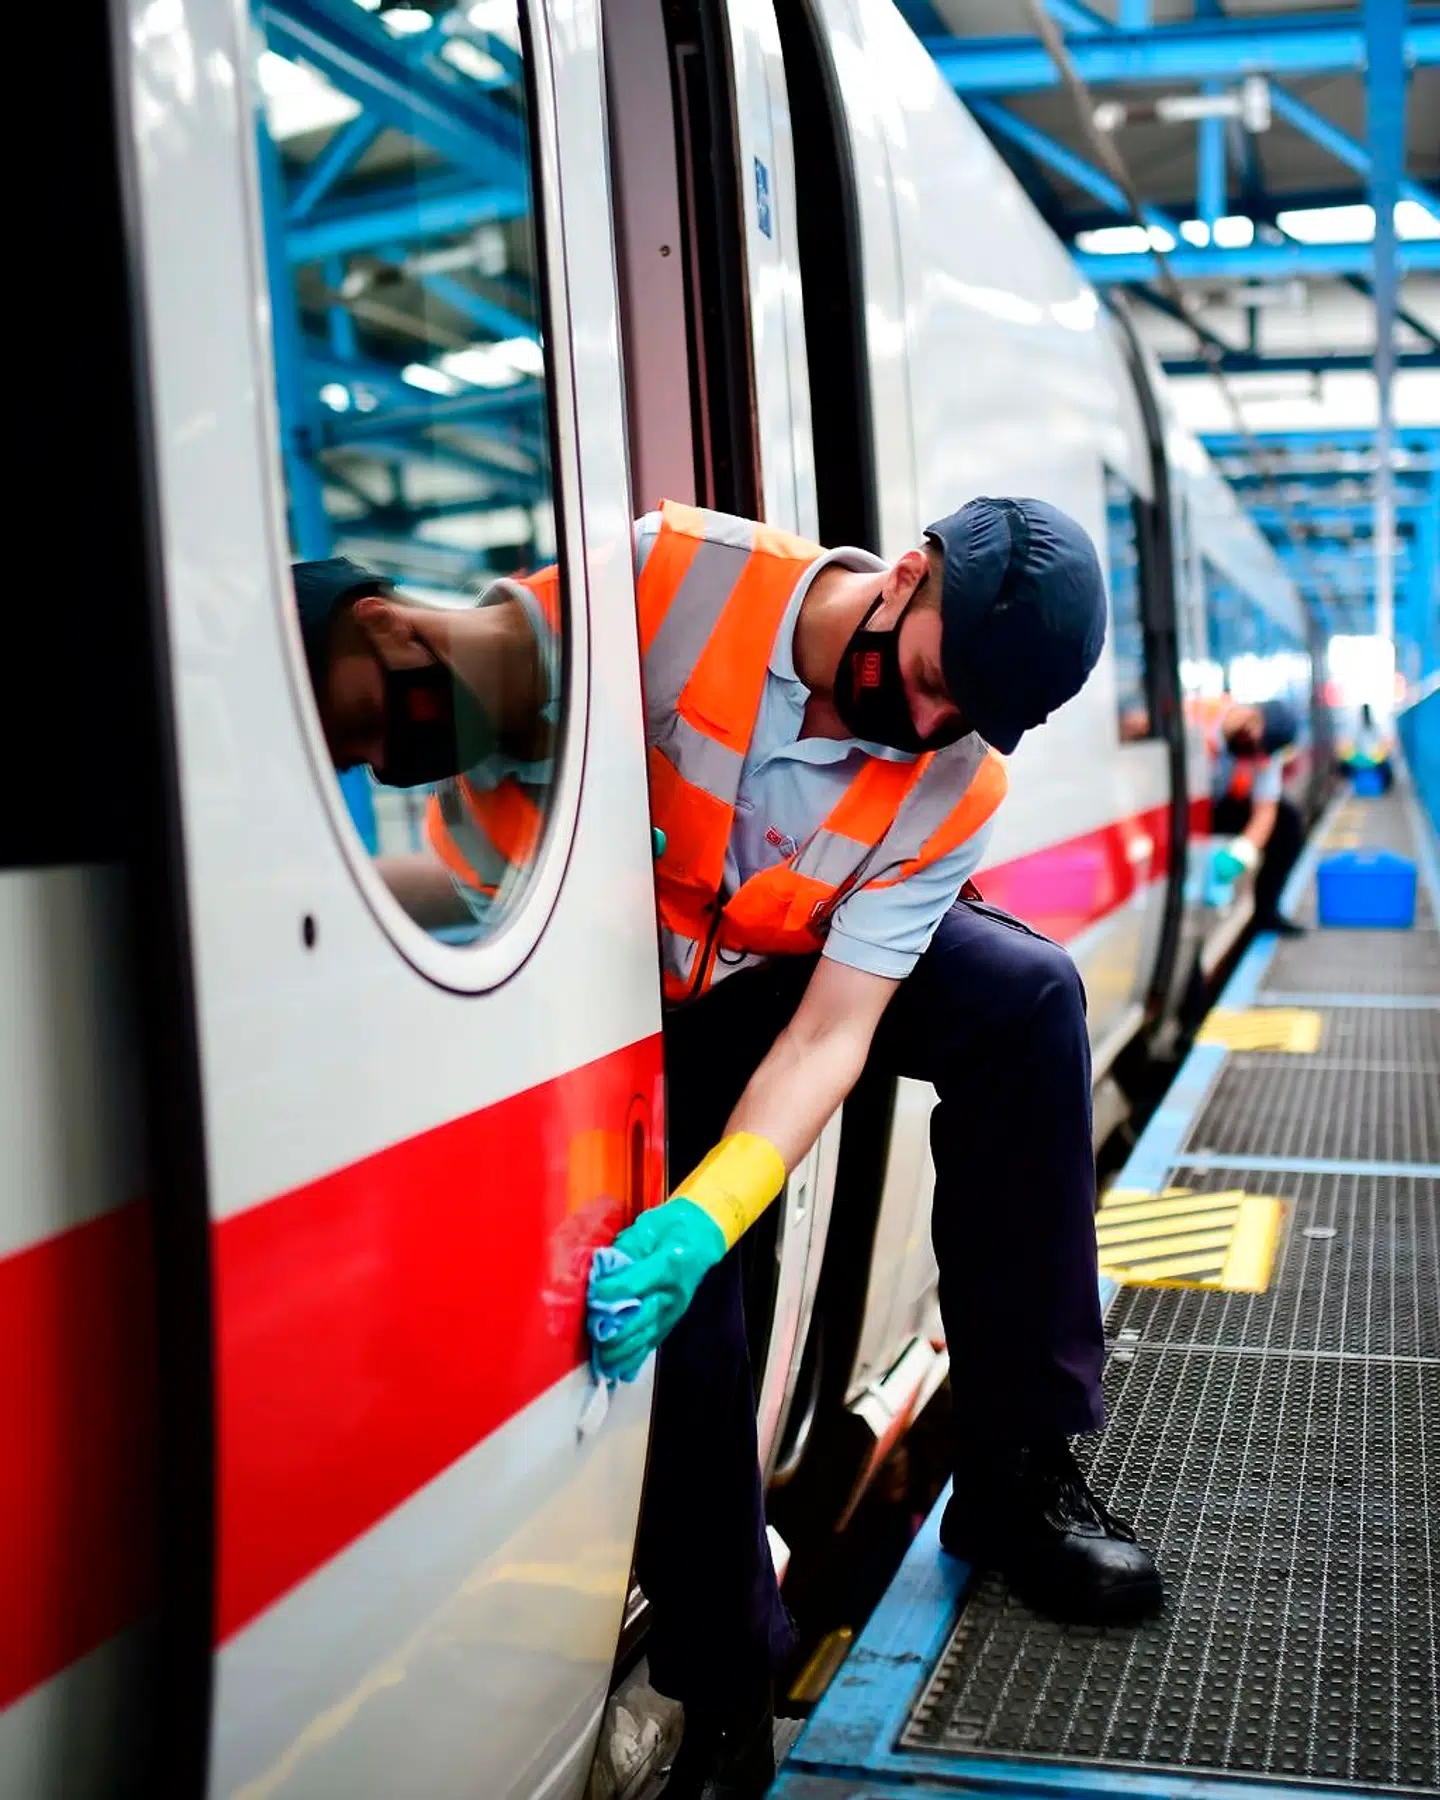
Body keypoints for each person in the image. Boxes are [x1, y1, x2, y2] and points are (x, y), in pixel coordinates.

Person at [294, 497, 1163, 1800]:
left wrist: (715, 1213)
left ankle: (1015, 1469)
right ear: (907, 574)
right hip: (631, 1005)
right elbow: (498, 660)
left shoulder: (954, 781)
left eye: (961, 717)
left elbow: (830, 1038)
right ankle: (724, 1694)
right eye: (929, 680)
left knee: (1027, 1002)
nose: (924, 726)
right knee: (682, 1319)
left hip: (784, 976)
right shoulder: (675, 572)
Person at [1206, 698, 1304, 937]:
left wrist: (1238, 856)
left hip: (1217, 806)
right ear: (1251, 717)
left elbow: (1265, 810)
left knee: (1287, 822)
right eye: (1258, 745)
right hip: (1183, 804)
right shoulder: (1200, 720)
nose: (1259, 756)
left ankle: (1265, 914)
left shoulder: (1265, 753)